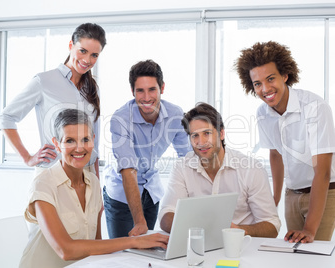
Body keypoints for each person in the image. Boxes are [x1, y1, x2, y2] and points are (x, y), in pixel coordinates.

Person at [19, 109, 169, 268]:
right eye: (70, 140)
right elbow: (66, 250)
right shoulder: (43, 184)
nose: (79, 148)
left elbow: (96, 245)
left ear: (93, 140)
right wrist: (133, 242)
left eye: (85, 139)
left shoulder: (93, 182)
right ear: (57, 144)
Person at [235, 41, 335, 243]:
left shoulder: (315, 107)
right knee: (294, 257)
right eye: (257, 84)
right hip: (292, 194)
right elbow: (276, 156)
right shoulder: (263, 113)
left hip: (325, 191)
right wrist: (273, 203)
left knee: (312, 252)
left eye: (270, 79)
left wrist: (310, 229)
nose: (265, 89)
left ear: (285, 76)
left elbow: (323, 171)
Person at [0, 23, 106, 177]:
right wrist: (27, 158)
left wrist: (96, 185)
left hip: (87, 174)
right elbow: (6, 118)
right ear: (71, 45)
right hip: (54, 174)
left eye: (94, 55)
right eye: (83, 51)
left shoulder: (93, 89)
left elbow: (94, 144)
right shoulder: (44, 81)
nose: (87, 59)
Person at [158, 102, 281, 238]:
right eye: (195, 136)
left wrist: (237, 230)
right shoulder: (181, 167)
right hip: (199, 246)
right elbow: (166, 215)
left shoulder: (251, 168)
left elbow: (272, 226)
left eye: (207, 133)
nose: (201, 142)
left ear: (221, 133)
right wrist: (197, 230)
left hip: (241, 247)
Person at [103, 59, 192, 238]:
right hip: (120, 195)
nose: (146, 98)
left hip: (151, 192)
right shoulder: (121, 119)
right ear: (132, 91)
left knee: (146, 256)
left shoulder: (175, 115)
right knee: (123, 255)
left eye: (152, 89)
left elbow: (188, 159)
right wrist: (139, 221)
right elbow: (128, 171)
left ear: (162, 88)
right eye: (140, 91)